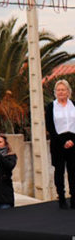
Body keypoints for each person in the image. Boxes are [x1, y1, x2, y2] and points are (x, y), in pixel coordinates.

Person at [45, 79, 75, 209]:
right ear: (55, 92)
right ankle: (61, 198)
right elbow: (50, 126)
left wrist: (72, 141)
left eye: (63, 89)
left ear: (68, 91)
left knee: (74, 171)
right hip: (58, 142)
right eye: (58, 90)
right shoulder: (51, 106)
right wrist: (63, 142)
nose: (61, 92)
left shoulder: (73, 105)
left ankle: (74, 198)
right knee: (59, 171)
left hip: (74, 141)